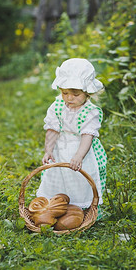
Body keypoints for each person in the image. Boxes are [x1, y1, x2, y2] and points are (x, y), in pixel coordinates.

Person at [36, 58, 107, 219]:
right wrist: (48, 150)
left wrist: (79, 156)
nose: (69, 98)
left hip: (81, 148)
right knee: (57, 175)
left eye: (75, 94)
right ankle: (56, 206)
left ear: (87, 92)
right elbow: (53, 129)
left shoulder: (90, 111)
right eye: (65, 93)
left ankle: (86, 208)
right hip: (60, 147)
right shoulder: (57, 105)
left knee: (82, 179)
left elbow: (87, 136)